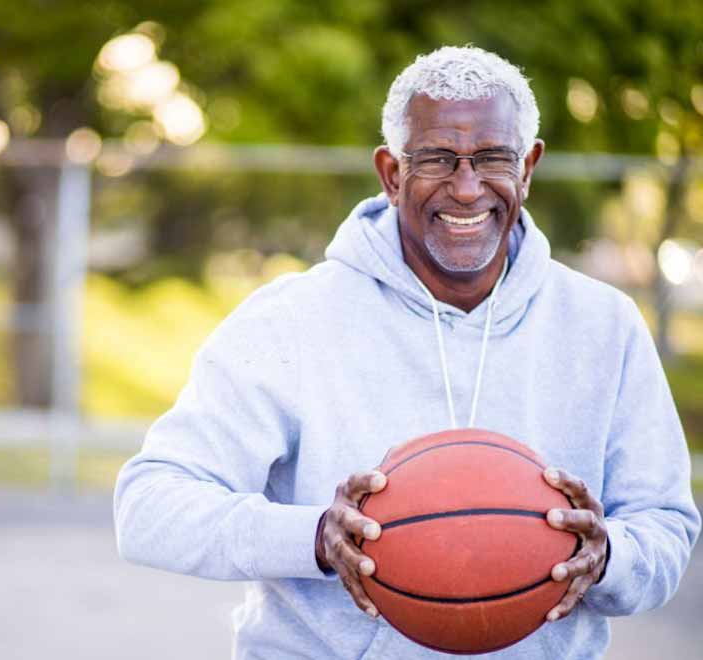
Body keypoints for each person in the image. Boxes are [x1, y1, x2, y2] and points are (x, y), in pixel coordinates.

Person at [113, 46, 700, 659]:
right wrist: (314, 536)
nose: (467, 188)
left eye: (492, 159)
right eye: (437, 160)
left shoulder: (604, 327)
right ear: (392, 174)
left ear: (527, 167)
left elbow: (664, 526)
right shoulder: (288, 321)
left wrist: (609, 557)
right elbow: (150, 507)